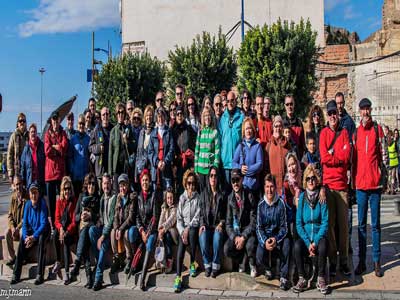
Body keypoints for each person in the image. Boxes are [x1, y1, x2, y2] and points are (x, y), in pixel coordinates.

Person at [352, 98, 386, 277]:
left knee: (376, 225)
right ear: (359, 111)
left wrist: (382, 174)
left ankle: (377, 261)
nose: (365, 112)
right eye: (362, 109)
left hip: (375, 185)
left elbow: (384, 154)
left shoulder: (377, 130)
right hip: (361, 186)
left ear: (370, 110)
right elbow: (353, 161)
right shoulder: (356, 133)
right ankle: (362, 262)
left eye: (367, 109)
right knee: (362, 226)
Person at [319, 100, 351, 277]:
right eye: (330, 113)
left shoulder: (344, 133)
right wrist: (334, 157)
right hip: (329, 186)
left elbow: (346, 157)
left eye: (334, 113)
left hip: (342, 187)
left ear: (338, 114)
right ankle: (332, 261)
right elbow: (323, 157)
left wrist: (334, 157)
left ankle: (344, 260)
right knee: (329, 226)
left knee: (343, 226)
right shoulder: (323, 134)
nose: (332, 116)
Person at [293, 165, 329, 295]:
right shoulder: (302, 198)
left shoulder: (322, 196)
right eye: (308, 179)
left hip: (318, 236)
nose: (311, 181)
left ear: (317, 179)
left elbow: (325, 222)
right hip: (306, 237)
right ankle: (302, 278)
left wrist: (315, 242)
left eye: (313, 178)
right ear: (305, 181)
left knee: (324, 245)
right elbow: (298, 223)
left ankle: (320, 277)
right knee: (297, 246)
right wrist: (308, 243)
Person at [256, 174, 291, 290]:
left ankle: (283, 277)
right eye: (267, 187)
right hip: (266, 237)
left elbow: (284, 227)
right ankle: (268, 269)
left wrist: (276, 239)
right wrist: (265, 241)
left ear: (275, 188)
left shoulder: (281, 204)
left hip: (278, 237)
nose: (269, 190)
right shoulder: (261, 205)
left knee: (286, 244)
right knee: (259, 256)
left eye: (271, 187)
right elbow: (259, 227)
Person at [11, 183, 49, 285]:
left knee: (41, 240)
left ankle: (39, 275)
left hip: (42, 231)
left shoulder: (42, 203)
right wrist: (26, 238)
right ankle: (16, 274)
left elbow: (43, 224)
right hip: (31, 233)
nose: (33, 195)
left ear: (38, 193)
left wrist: (33, 237)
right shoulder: (27, 204)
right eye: (32, 193)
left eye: (35, 193)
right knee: (21, 244)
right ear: (29, 193)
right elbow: (25, 224)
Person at [224, 169, 257, 277]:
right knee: (227, 249)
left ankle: (252, 264)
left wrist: (243, 237)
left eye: (237, 180)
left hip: (247, 232)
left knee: (250, 245)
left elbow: (254, 220)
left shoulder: (249, 195)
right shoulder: (230, 198)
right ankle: (242, 260)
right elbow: (228, 224)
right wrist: (235, 238)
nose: (235, 183)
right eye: (233, 180)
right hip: (236, 232)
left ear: (242, 180)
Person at [335, 92, 356, 255]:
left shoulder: (349, 122)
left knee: (347, 212)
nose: (340, 106)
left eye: (342, 103)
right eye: (337, 103)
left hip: (346, 172)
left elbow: (349, 149)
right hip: (335, 174)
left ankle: (347, 243)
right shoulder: (333, 121)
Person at [70, 173, 100, 288]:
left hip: (92, 228)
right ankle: (89, 278)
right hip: (82, 228)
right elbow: (75, 216)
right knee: (84, 238)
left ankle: (77, 264)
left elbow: (99, 215)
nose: (91, 186)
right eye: (89, 184)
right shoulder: (82, 196)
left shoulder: (97, 198)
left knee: (86, 234)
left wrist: (90, 215)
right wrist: (81, 216)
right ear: (86, 185)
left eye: (93, 184)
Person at [174, 169, 201, 293]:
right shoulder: (182, 198)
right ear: (185, 183)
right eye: (189, 183)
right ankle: (178, 277)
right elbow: (178, 218)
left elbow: (197, 216)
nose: (191, 186)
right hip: (182, 229)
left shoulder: (198, 198)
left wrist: (188, 228)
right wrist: (181, 231)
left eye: (193, 183)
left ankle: (192, 263)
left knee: (191, 233)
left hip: (192, 228)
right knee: (180, 248)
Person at [89, 173, 117, 291]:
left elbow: (111, 219)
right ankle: (99, 258)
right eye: (104, 183)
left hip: (109, 231)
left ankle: (98, 278)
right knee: (91, 230)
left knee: (103, 244)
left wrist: (103, 235)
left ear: (111, 183)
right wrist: (97, 224)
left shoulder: (114, 198)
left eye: (108, 183)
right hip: (102, 228)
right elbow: (101, 217)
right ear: (102, 185)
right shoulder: (101, 199)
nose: (106, 186)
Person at [135, 169, 161, 290]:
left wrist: (148, 232)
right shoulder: (139, 196)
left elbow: (155, 217)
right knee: (131, 234)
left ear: (150, 181)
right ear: (140, 182)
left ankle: (142, 279)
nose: (145, 182)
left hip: (152, 230)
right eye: (143, 180)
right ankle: (135, 264)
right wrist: (141, 231)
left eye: (147, 180)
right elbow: (137, 217)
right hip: (143, 230)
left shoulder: (154, 195)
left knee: (150, 243)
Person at [199, 166, 226, 278]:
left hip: (217, 226)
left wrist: (221, 223)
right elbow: (200, 213)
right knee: (202, 235)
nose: (213, 178)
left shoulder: (222, 195)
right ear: (208, 178)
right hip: (207, 225)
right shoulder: (204, 194)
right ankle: (207, 265)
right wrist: (201, 225)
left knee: (218, 236)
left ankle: (216, 265)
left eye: (215, 176)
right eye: (211, 176)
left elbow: (225, 215)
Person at [44, 111, 68, 227]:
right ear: (51, 121)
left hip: (60, 174)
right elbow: (47, 151)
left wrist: (56, 148)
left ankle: (61, 224)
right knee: (51, 203)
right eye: (53, 119)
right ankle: (53, 226)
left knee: (62, 201)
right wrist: (56, 148)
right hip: (50, 175)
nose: (55, 121)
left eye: (56, 119)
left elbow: (64, 148)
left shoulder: (63, 133)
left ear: (59, 120)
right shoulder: (47, 134)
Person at [219, 91, 245, 195]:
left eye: (232, 100)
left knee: (238, 193)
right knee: (226, 192)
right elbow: (220, 139)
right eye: (228, 101)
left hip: (237, 163)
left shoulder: (241, 117)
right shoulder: (222, 118)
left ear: (236, 101)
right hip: (225, 163)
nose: (230, 103)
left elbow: (244, 140)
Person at [110, 174, 137, 274]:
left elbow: (131, 218)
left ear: (128, 185)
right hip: (121, 225)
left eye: (124, 185)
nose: (122, 188)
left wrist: (121, 229)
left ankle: (129, 258)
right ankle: (116, 257)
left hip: (129, 226)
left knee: (126, 233)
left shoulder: (132, 197)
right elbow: (116, 216)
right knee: (113, 232)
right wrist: (117, 228)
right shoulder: (118, 197)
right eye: (121, 186)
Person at [54, 176, 77, 285]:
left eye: (68, 188)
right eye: (65, 189)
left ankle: (67, 272)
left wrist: (66, 231)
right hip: (62, 229)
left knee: (66, 239)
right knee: (54, 234)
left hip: (71, 232)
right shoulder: (59, 202)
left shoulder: (74, 201)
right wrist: (61, 229)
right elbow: (56, 219)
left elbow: (74, 221)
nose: (67, 191)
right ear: (62, 190)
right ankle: (58, 261)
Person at [109, 103, 135, 193]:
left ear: (125, 114)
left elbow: (132, 148)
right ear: (116, 115)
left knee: (126, 191)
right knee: (117, 192)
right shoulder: (113, 131)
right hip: (116, 167)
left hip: (126, 166)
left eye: (122, 112)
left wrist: (127, 141)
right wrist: (110, 173)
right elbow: (110, 153)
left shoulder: (129, 129)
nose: (120, 114)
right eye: (118, 113)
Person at [232, 117, 263, 192]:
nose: (248, 131)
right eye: (246, 129)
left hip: (254, 186)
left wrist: (247, 170)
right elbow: (233, 163)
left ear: (253, 129)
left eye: (249, 128)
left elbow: (259, 164)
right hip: (243, 187)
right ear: (243, 131)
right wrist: (240, 168)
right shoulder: (241, 146)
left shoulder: (257, 146)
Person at [194, 107, 220, 190]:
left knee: (210, 192)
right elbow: (197, 150)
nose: (207, 118)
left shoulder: (214, 132)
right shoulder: (200, 132)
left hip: (210, 169)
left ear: (212, 117)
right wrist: (196, 168)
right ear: (203, 117)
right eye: (205, 116)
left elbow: (217, 151)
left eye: (209, 115)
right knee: (202, 193)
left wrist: (215, 167)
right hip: (200, 169)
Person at [148, 108, 175, 190]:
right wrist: (157, 162)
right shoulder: (153, 134)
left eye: (162, 116)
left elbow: (172, 149)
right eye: (159, 117)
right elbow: (150, 152)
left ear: (165, 117)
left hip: (166, 169)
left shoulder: (169, 132)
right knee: (155, 196)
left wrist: (164, 162)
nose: (160, 119)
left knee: (168, 195)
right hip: (155, 171)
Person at [172, 105, 196, 194]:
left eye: (181, 113)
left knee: (189, 187)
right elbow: (172, 148)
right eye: (177, 114)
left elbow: (195, 144)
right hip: (178, 163)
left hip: (188, 163)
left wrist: (192, 154)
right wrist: (173, 164)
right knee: (179, 189)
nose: (179, 116)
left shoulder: (189, 129)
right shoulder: (173, 131)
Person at [266, 116, 291, 195]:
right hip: (273, 186)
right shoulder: (269, 145)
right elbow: (266, 167)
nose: (278, 128)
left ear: (282, 128)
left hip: (286, 185)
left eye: (280, 126)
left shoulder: (287, 144)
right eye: (276, 126)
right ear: (273, 128)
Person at [5, 176, 27, 267]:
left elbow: (26, 218)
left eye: (19, 184)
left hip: (23, 226)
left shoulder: (27, 197)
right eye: (16, 184)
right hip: (15, 227)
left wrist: (18, 228)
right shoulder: (13, 197)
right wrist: (13, 227)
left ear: (22, 184)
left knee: (23, 233)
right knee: (7, 232)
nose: (18, 187)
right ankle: (13, 257)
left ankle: (23, 257)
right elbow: (9, 216)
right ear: (14, 186)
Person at [89, 107, 113, 189]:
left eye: (107, 114)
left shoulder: (113, 129)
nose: (105, 116)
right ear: (101, 117)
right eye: (103, 114)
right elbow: (90, 147)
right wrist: (98, 148)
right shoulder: (97, 129)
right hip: (100, 169)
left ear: (109, 115)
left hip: (111, 168)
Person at [68, 114, 90, 197]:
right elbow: (70, 157)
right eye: (80, 123)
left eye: (83, 124)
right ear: (77, 125)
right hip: (75, 176)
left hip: (85, 176)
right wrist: (72, 170)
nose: (81, 125)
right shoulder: (73, 139)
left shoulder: (88, 139)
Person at [20, 123, 45, 193]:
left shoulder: (42, 146)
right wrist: (23, 182)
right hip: (30, 183)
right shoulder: (26, 149)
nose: (33, 133)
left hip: (40, 182)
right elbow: (22, 167)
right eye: (31, 132)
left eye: (34, 131)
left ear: (37, 133)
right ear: (29, 134)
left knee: (41, 203)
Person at [158, 188, 178, 274]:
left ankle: (169, 260)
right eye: (168, 198)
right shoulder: (164, 207)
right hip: (166, 232)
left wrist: (163, 228)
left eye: (171, 198)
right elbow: (161, 219)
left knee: (167, 234)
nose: (169, 200)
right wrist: (159, 229)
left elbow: (171, 220)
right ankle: (161, 260)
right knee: (163, 237)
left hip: (174, 234)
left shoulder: (176, 207)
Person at [7, 113, 28, 184]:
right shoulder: (13, 136)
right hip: (17, 171)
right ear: (17, 123)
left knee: (27, 194)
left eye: (24, 121)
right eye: (20, 121)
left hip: (27, 170)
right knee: (17, 194)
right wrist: (10, 173)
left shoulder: (29, 136)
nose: (22, 122)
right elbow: (9, 155)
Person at [135, 105, 155, 183]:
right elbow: (138, 152)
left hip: (151, 168)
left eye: (150, 115)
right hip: (141, 168)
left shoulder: (155, 131)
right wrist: (136, 170)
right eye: (147, 115)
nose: (148, 117)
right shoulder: (141, 132)